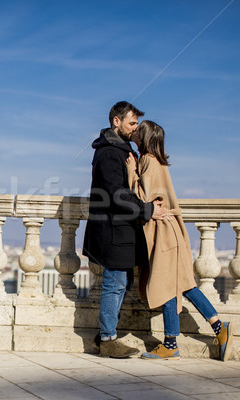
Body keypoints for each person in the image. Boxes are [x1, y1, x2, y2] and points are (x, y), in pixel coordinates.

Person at [129, 120, 233, 361]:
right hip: (172, 230)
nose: (133, 131)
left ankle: (171, 344)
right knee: (184, 284)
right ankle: (218, 326)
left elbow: (142, 198)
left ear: (143, 138)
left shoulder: (146, 161)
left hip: (162, 231)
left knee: (166, 285)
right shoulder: (159, 161)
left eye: (137, 130)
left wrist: (131, 170)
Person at [83, 102, 166, 358]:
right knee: (115, 283)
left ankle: (106, 334)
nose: (134, 129)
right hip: (112, 230)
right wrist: (148, 210)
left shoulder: (120, 149)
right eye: (131, 123)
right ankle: (108, 339)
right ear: (116, 122)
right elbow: (117, 194)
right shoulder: (110, 152)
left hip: (120, 230)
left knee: (123, 281)